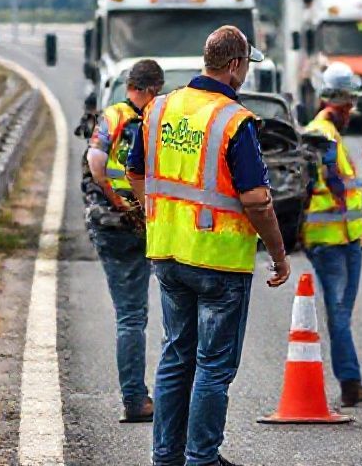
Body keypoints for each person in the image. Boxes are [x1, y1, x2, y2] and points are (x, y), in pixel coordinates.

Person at [126, 25, 291, 466]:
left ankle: (166, 457)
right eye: (245, 69)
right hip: (218, 261)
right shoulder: (233, 120)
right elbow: (256, 198)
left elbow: (135, 174)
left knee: (177, 356)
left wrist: (154, 213)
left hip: (168, 254)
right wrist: (277, 253)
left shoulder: (160, 108)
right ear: (235, 65)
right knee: (213, 366)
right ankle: (202, 458)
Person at [83, 58, 163, 423]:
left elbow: (96, 160)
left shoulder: (110, 116)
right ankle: (135, 399)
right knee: (134, 316)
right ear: (149, 89)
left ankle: (138, 396)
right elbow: (98, 161)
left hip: (109, 224)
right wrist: (126, 203)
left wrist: (112, 199)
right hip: (134, 224)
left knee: (129, 314)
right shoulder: (148, 119)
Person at [302, 62, 362, 407]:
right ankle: (350, 382)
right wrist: (337, 193)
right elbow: (331, 176)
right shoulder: (322, 133)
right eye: (351, 103)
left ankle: (351, 380)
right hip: (330, 240)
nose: (353, 110)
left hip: (343, 236)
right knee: (339, 310)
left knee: (341, 310)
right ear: (342, 102)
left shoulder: (326, 132)